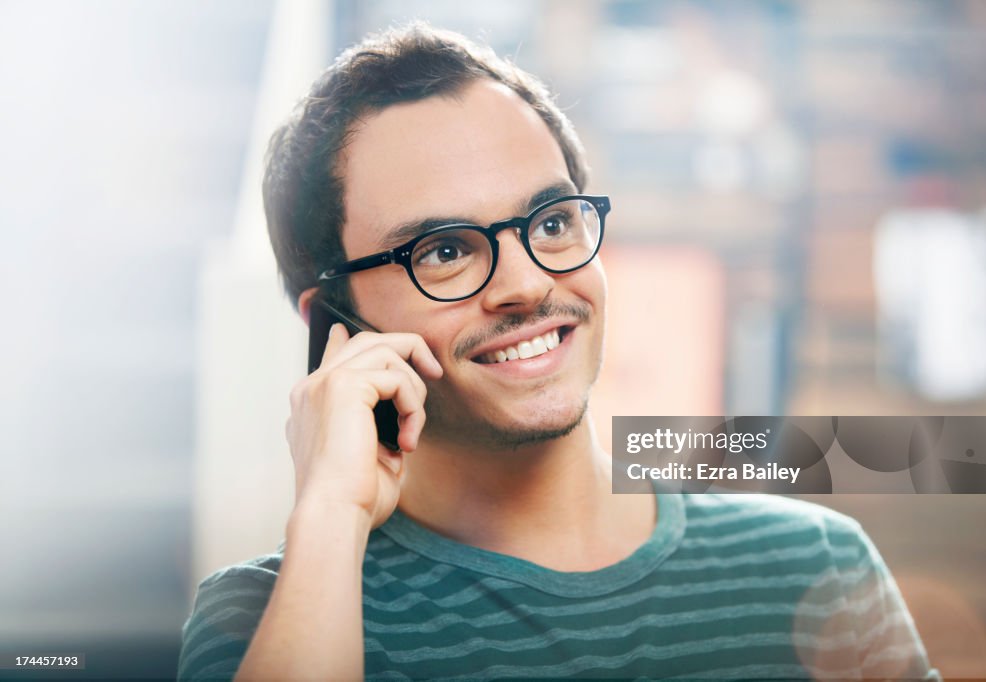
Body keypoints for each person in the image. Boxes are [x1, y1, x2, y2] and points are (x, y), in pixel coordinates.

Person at [177, 23, 939, 681]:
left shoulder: (816, 566)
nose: (526, 283)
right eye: (444, 249)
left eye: (549, 223)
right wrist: (331, 516)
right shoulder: (269, 614)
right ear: (335, 326)